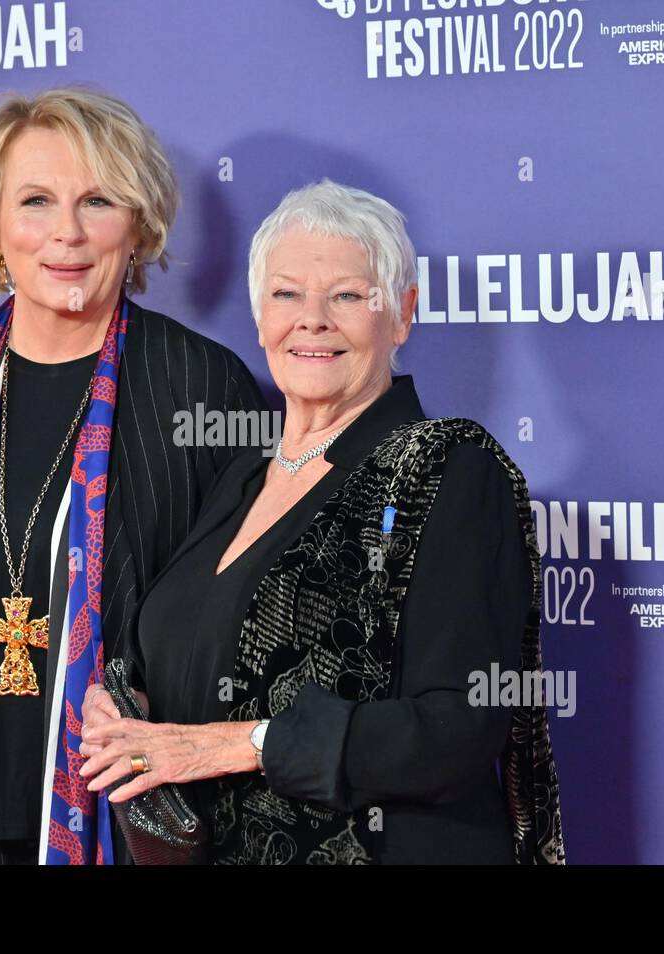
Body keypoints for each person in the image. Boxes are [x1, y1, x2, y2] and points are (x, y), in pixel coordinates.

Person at [78, 179, 566, 864]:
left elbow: (462, 724)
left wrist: (233, 745)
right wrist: (121, 704)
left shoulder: (448, 469)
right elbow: (190, 650)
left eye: (347, 295)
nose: (312, 319)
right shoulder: (242, 474)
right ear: (258, 316)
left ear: (401, 314)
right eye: (286, 294)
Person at [0, 87, 269, 865]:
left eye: (98, 201)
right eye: (36, 201)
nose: (68, 234)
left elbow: (225, 633)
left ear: (140, 223)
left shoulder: (201, 387)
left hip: (124, 822)